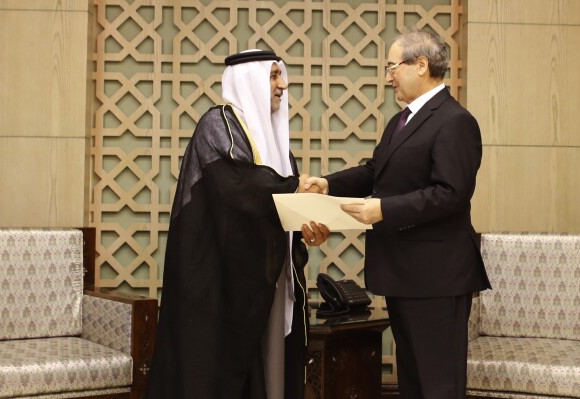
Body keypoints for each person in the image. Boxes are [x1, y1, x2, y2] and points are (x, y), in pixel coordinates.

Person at [305, 28, 491, 399]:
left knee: (439, 385)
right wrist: (327, 184)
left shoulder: (455, 121)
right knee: (414, 384)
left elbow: (450, 194)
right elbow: (376, 172)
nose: (387, 75)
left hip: (437, 275)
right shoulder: (401, 121)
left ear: (421, 65)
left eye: (392, 66)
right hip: (404, 271)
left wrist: (383, 209)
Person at [145, 49, 329, 399]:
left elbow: (279, 205)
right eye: (274, 76)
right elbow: (238, 187)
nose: (282, 84)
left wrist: (306, 226)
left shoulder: (278, 143)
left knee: (273, 373)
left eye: (281, 75)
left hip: (268, 281)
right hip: (221, 287)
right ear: (249, 80)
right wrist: (293, 188)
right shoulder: (218, 125)